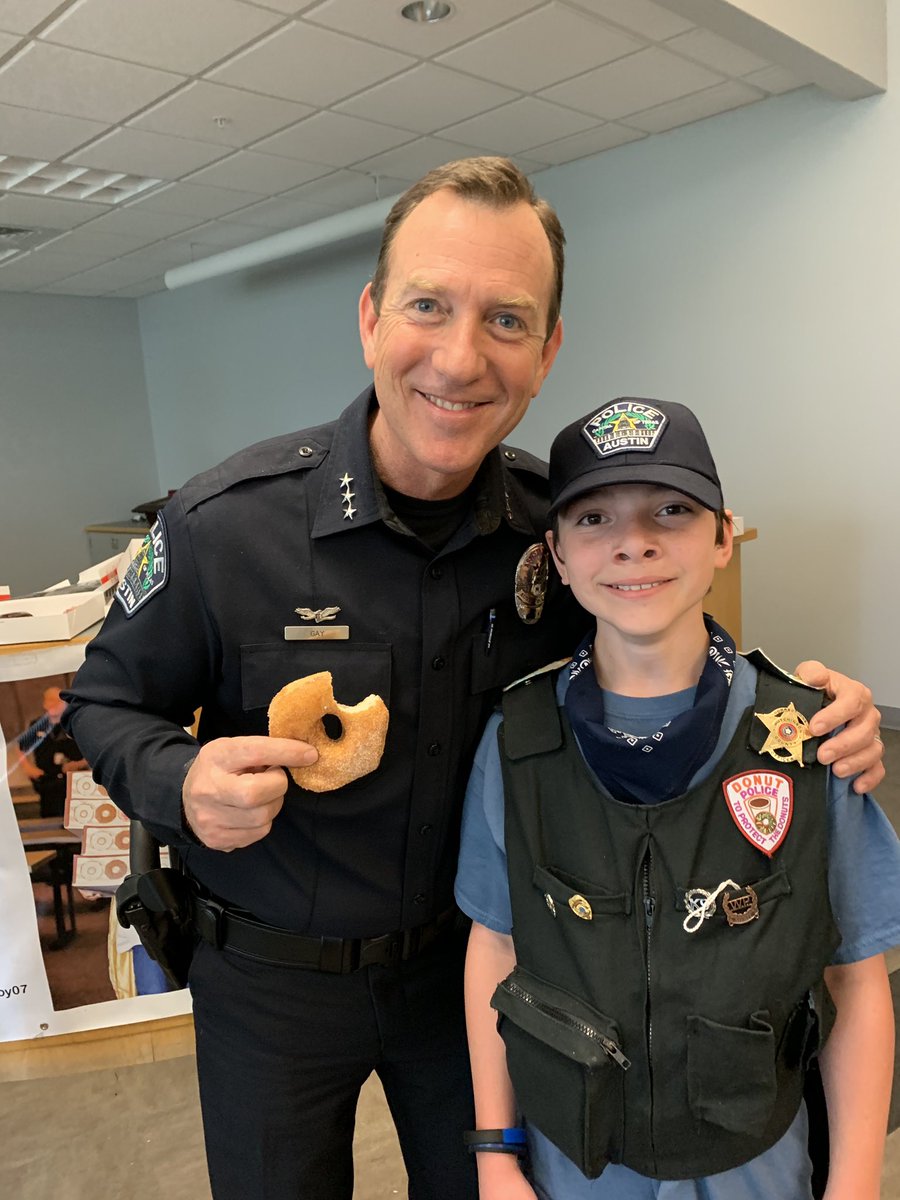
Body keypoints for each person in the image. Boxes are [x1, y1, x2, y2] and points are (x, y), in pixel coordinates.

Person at [62, 159, 885, 1200]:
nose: (460, 355)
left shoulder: (568, 523)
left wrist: (817, 712)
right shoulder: (227, 528)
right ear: (370, 319)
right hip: (270, 981)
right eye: (428, 305)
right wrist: (179, 781)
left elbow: (665, 650)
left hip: (486, 977)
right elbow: (102, 700)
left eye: (505, 319)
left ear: (545, 355)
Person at [456, 398, 900, 1200]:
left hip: (756, 1164)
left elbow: (856, 977)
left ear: (724, 536)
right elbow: (496, 946)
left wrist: (858, 1183)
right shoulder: (517, 745)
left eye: (672, 509)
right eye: (594, 518)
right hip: (581, 1164)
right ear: (556, 554)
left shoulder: (810, 735)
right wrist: (496, 1153)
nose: (635, 541)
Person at [17, 686, 87, 818]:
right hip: (47, 781)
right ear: (44, 703)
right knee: (50, 817)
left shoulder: (75, 723)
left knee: (76, 816)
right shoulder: (37, 725)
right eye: (50, 701)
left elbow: (93, 748)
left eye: (57, 701)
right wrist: (28, 768)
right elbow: (21, 747)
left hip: (73, 781)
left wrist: (80, 764)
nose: (53, 704)